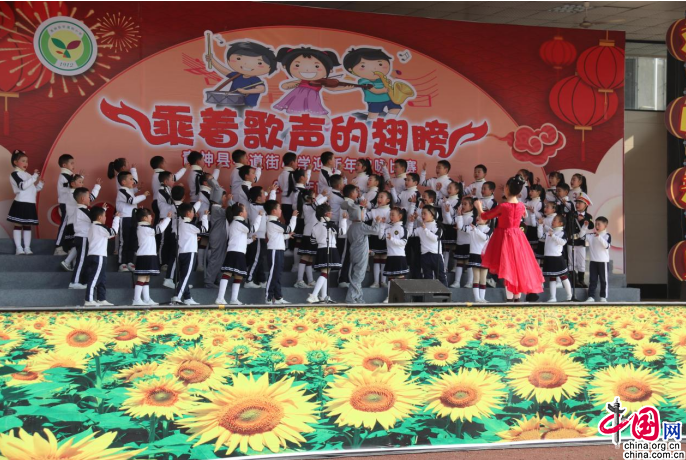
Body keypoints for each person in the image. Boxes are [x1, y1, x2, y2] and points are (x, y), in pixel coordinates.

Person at [475, 175, 544, 301]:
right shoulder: (521, 206)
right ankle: (516, 299)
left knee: (508, 268)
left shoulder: (504, 206)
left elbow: (485, 216)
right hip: (518, 237)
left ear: (506, 188)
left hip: (505, 238)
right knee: (516, 267)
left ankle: (509, 300)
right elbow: (523, 215)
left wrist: (479, 207)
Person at [216, 203, 262, 306]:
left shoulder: (235, 223)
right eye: (245, 210)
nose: (246, 212)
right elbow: (253, 229)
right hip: (235, 252)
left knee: (239, 276)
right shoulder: (239, 223)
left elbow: (241, 240)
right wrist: (259, 217)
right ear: (241, 214)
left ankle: (233, 299)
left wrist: (251, 240)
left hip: (237, 251)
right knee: (228, 273)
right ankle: (220, 298)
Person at [307, 203, 348, 303]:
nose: (331, 213)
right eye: (330, 212)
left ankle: (323, 296)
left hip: (320, 250)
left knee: (325, 272)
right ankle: (314, 295)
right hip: (330, 249)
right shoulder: (330, 225)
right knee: (325, 273)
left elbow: (312, 241)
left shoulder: (316, 226)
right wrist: (344, 220)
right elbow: (342, 232)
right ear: (326, 214)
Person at [343, 203, 381, 304]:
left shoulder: (351, 227)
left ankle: (358, 297)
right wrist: (377, 222)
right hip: (361, 255)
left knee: (357, 275)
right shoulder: (361, 226)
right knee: (358, 277)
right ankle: (351, 298)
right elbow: (375, 231)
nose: (364, 215)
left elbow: (358, 240)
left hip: (354, 253)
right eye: (362, 213)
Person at [132, 208, 171, 306]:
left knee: (146, 278)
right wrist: (168, 219)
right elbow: (159, 229)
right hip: (145, 256)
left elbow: (156, 228)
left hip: (149, 255)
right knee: (142, 278)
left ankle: (146, 299)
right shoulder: (144, 228)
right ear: (145, 218)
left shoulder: (146, 228)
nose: (151, 218)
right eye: (150, 216)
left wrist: (161, 222)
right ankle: (136, 299)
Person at [171, 203, 208, 305]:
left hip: (181, 252)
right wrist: (205, 217)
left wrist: (194, 239)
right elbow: (204, 229)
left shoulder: (180, 224)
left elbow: (185, 237)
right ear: (188, 213)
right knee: (186, 276)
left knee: (183, 276)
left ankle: (187, 297)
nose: (193, 213)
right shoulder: (190, 225)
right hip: (190, 253)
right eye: (192, 212)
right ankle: (177, 297)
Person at [8, 150, 43, 255]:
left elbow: (32, 190)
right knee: (18, 225)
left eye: (27, 161)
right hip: (20, 203)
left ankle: (27, 248)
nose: (26, 163)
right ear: (15, 162)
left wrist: (40, 185)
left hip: (30, 203)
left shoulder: (28, 174)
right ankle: (19, 248)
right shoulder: (14, 174)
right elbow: (22, 186)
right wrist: (34, 177)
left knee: (28, 226)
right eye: (23, 161)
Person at [84, 206, 120, 306]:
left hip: (94, 255)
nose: (105, 218)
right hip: (98, 255)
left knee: (101, 278)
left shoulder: (93, 227)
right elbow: (113, 232)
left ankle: (101, 298)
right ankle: (89, 300)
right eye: (104, 216)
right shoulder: (100, 227)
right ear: (100, 217)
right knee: (95, 278)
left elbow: (109, 234)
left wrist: (104, 209)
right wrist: (116, 218)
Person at [264, 200, 298, 305]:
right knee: (274, 274)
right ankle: (268, 297)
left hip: (278, 249)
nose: (281, 210)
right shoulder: (272, 222)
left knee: (277, 274)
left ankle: (278, 297)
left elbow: (279, 236)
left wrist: (288, 236)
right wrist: (294, 217)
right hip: (274, 250)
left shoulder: (275, 222)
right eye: (279, 208)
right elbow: (289, 228)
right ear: (274, 211)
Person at [116, 171, 149, 272]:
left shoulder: (127, 190)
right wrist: (144, 195)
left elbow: (130, 193)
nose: (133, 181)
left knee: (132, 240)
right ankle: (122, 263)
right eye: (130, 179)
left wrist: (137, 189)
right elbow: (131, 200)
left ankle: (130, 261)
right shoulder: (121, 191)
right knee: (124, 241)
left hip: (132, 218)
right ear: (123, 182)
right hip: (124, 218)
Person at [294, 189, 327, 288]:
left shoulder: (312, 206)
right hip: (308, 234)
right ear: (307, 198)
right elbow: (316, 203)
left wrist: (322, 197)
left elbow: (317, 204)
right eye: (313, 196)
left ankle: (310, 280)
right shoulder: (306, 206)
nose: (315, 198)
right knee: (305, 257)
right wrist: (324, 196)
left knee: (310, 258)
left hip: (313, 234)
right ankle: (299, 280)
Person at [245, 185, 277, 288]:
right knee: (256, 259)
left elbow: (268, 204)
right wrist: (272, 192)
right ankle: (248, 280)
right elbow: (271, 205)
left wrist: (267, 192)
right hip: (256, 237)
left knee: (260, 259)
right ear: (258, 198)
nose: (265, 195)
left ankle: (262, 280)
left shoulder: (256, 205)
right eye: (263, 194)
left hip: (260, 237)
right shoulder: (256, 207)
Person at [408, 205, 447, 286]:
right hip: (425, 255)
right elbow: (410, 234)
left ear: (432, 214)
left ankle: (445, 294)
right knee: (427, 278)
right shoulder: (420, 228)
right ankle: (430, 294)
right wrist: (411, 223)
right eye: (422, 213)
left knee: (441, 277)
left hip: (436, 255)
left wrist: (425, 229)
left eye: (424, 213)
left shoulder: (438, 226)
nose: (422, 216)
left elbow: (435, 238)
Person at [66, 187, 97, 289]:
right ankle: (74, 282)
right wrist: (102, 212)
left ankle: (83, 281)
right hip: (82, 237)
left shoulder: (83, 209)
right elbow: (94, 219)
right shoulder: (81, 210)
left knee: (85, 260)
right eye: (88, 196)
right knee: (81, 260)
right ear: (83, 199)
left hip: (84, 237)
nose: (90, 198)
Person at [538, 214, 573, 303]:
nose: (552, 221)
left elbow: (563, 242)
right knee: (552, 278)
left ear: (561, 223)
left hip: (557, 258)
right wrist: (540, 225)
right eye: (553, 220)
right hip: (548, 258)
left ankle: (569, 296)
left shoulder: (562, 233)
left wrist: (553, 236)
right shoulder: (549, 232)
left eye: (555, 220)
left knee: (563, 276)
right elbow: (540, 237)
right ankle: (553, 297)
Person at [204, 187, 232, 289]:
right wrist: (230, 201)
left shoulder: (217, 209)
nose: (225, 198)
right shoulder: (216, 209)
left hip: (220, 236)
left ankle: (215, 279)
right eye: (224, 196)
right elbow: (232, 212)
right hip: (217, 237)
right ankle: (209, 281)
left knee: (220, 259)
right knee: (215, 259)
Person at [381, 207, 410, 302]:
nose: (391, 217)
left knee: (400, 277)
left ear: (400, 216)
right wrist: (381, 224)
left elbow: (403, 242)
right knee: (390, 278)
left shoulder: (403, 228)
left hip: (399, 256)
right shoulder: (388, 228)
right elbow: (380, 236)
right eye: (390, 215)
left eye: (393, 215)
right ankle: (389, 297)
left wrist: (392, 239)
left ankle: (402, 296)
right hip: (390, 256)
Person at [581, 216, 611, 303]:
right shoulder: (591, 235)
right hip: (593, 261)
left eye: (599, 224)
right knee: (592, 280)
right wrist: (584, 227)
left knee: (603, 280)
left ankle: (603, 297)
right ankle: (591, 296)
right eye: (596, 224)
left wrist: (599, 237)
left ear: (605, 226)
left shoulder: (607, 235)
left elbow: (607, 246)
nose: (596, 226)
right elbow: (581, 236)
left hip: (603, 262)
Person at [367, 190, 392, 288]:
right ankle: (376, 282)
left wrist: (384, 224)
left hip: (386, 237)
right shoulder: (373, 211)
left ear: (388, 200)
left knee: (384, 258)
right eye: (378, 197)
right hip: (375, 237)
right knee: (376, 258)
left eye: (382, 197)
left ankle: (383, 281)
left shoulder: (390, 212)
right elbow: (364, 218)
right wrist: (363, 208)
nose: (379, 199)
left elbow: (392, 225)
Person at [466, 214, 493, 303]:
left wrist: (475, 230)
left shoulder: (489, 229)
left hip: (484, 255)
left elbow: (485, 237)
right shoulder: (472, 228)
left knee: (483, 278)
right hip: (474, 254)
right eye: (477, 216)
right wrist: (459, 216)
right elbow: (461, 227)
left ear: (487, 220)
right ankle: (477, 298)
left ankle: (482, 298)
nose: (477, 218)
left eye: (480, 217)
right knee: (476, 277)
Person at [449, 196, 475, 288]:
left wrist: (459, 218)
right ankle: (457, 282)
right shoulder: (459, 216)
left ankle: (470, 282)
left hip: (469, 243)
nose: (462, 206)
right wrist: (447, 211)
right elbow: (450, 221)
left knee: (468, 263)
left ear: (471, 206)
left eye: (465, 204)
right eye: (462, 204)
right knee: (459, 262)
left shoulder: (472, 218)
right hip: (460, 242)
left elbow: (467, 229)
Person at [570, 193, 594, 288]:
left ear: (585, 205)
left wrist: (583, 219)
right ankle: (573, 281)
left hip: (581, 241)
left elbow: (591, 226)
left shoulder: (588, 216)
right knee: (571, 262)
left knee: (581, 261)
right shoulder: (571, 214)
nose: (577, 204)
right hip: (571, 241)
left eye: (580, 203)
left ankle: (581, 280)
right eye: (577, 202)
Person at [55, 154, 75, 255]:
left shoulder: (70, 176)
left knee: (71, 226)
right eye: (71, 163)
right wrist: (79, 179)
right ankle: (58, 247)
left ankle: (70, 247)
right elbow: (70, 186)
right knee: (64, 225)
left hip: (71, 204)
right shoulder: (64, 176)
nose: (73, 165)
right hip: (66, 204)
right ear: (64, 165)